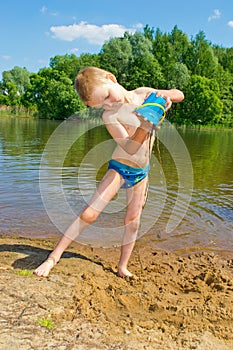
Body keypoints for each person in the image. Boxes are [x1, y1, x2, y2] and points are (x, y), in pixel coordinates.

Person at [34, 66, 184, 278]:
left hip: (142, 173)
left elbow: (180, 94)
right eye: (101, 105)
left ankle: (122, 266)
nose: (109, 103)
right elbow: (130, 147)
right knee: (90, 214)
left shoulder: (142, 94)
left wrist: (166, 96)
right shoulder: (110, 116)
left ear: (112, 79)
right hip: (120, 168)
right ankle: (52, 258)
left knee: (133, 221)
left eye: (106, 96)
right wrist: (144, 126)